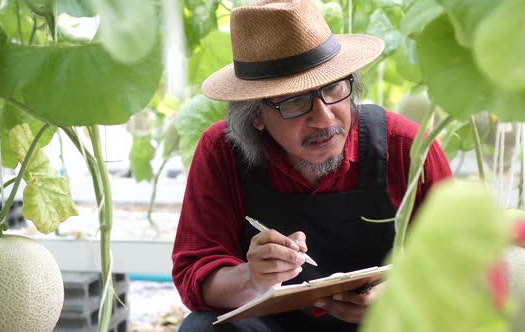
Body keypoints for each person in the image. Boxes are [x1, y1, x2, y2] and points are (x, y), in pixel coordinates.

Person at [172, 0, 452, 331]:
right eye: (294, 101)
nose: (323, 117)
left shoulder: (406, 147)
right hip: (268, 325)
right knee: (202, 327)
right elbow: (196, 277)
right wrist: (252, 277)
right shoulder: (222, 150)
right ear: (256, 115)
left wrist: (399, 298)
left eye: (333, 87)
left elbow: (462, 264)